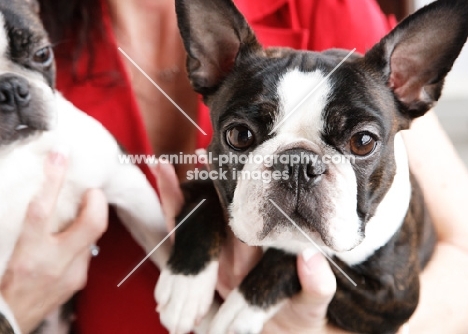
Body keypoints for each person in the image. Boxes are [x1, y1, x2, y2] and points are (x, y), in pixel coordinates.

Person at [1, 0, 467, 333]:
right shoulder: (27, 34)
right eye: (244, 136)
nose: (298, 173)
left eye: (360, 142)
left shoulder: (324, 10)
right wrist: (13, 310)